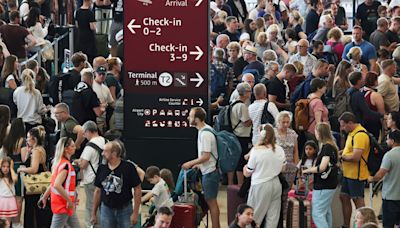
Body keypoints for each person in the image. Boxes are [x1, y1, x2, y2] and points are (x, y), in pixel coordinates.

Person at [182, 107, 221, 228]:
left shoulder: (205, 134)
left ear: (197, 119)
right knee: (210, 202)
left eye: (191, 116)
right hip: (209, 170)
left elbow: (206, 156)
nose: (188, 118)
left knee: (211, 203)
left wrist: (190, 163)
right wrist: (198, 165)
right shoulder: (205, 130)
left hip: (210, 172)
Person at [91, 140, 142, 228]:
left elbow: (137, 189)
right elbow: (98, 190)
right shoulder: (102, 168)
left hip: (125, 209)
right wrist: (93, 213)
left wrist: (135, 213)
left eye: (105, 151)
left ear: (114, 154)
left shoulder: (128, 167)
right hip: (106, 209)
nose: (102, 153)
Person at [243, 124, 286, 227]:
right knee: (273, 218)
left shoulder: (256, 150)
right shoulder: (279, 149)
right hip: (276, 184)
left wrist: (245, 168)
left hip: (260, 184)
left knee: (253, 217)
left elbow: (248, 172)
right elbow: (283, 169)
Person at [39, 137, 81, 228]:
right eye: (72, 146)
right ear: (66, 149)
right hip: (63, 204)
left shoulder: (58, 162)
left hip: (62, 203)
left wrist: (45, 196)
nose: (75, 148)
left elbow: (53, 183)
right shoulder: (66, 165)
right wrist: (69, 201)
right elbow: (57, 185)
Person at [302, 123, 338, 228]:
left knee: (317, 214)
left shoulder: (326, 147)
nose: (315, 134)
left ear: (320, 133)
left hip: (323, 185)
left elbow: (322, 167)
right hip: (330, 184)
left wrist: (308, 170)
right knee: (326, 212)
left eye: (316, 132)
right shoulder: (332, 146)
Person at [338, 112, 370, 228]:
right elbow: (350, 150)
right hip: (348, 174)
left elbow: (356, 157)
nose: (342, 128)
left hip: (356, 175)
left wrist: (342, 157)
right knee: (344, 197)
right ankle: (346, 225)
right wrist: (342, 152)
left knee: (358, 202)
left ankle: (365, 225)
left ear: (350, 123)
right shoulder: (352, 133)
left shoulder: (360, 135)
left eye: (343, 125)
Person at [73, 120, 106, 227]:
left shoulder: (89, 146)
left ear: (88, 131)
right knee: (102, 205)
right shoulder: (105, 141)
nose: (84, 136)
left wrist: (77, 162)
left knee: (91, 206)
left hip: (91, 179)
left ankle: (92, 225)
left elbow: (83, 165)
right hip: (104, 178)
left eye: (84, 133)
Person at [17, 126, 48, 228]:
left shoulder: (36, 151)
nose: (27, 139)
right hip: (39, 183)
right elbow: (27, 161)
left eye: (28, 137)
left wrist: (21, 169)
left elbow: (33, 169)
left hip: (34, 183)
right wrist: (29, 150)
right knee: (38, 210)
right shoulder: (39, 149)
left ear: (34, 139)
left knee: (32, 210)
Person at [368, 130, 400, 228]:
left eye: (387, 139)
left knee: (388, 224)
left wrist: (372, 178)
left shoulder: (389, 155)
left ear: (392, 141)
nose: (386, 141)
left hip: (391, 196)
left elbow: (381, 174)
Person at [230, 82, 252, 185]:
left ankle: (232, 183)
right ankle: (240, 184)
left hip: (234, 134)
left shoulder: (233, 103)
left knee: (236, 160)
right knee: (241, 161)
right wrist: (253, 118)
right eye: (249, 91)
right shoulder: (242, 106)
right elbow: (246, 123)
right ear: (246, 93)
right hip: (242, 136)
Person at [361, 72, 385, 139]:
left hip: (362, 122)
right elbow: (382, 113)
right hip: (373, 124)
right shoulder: (376, 95)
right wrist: (384, 127)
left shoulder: (359, 92)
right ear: (374, 81)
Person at [75, 0, 96, 64]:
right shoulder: (90, 13)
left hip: (80, 37)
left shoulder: (77, 12)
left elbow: (77, 25)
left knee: (81, 58)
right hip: (89, 39)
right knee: (89, 59)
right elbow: (92, 27)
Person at [0, 157, 18, 224]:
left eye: (7, 166)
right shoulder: (1, 177)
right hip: (2, 200)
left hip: (10, 200)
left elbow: (15, 179)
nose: (5, 168)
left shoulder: (12, 177)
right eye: (3, 166)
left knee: (8, 223)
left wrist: (11, 168)